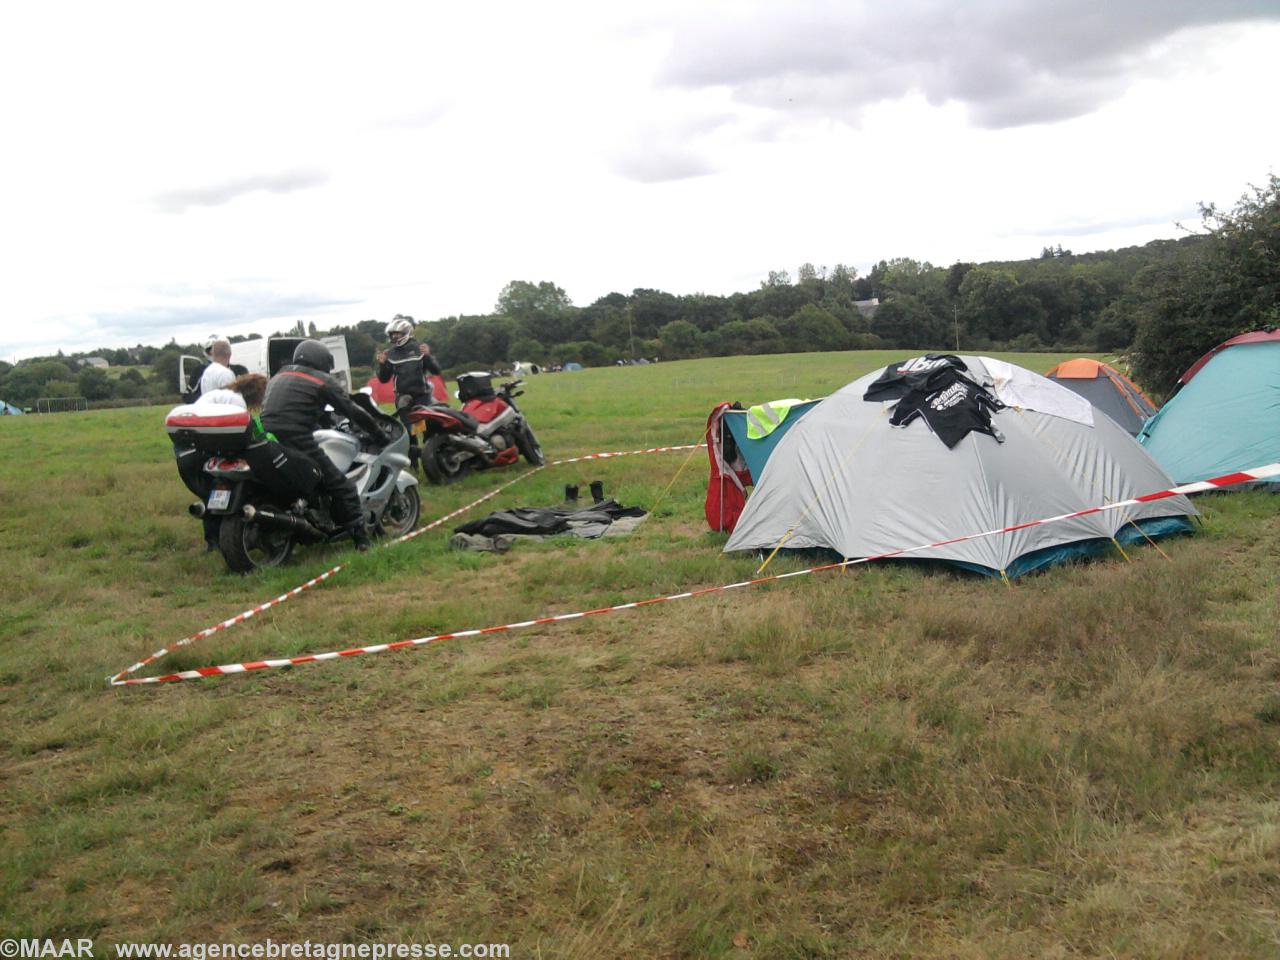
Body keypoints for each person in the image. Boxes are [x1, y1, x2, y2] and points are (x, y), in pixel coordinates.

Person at [260, 340, 382, 551]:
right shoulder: (321, 379)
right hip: (297, 438)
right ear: (321, 361)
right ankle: (362, 541)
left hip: (268, 437)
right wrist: (378, 433)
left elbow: (295, 407)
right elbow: (352, 410)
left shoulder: (279, 375)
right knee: (342, 486)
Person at [376, 317, 443, 469]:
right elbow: (384, 379)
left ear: (406, 332)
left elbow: (436, 370)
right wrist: (382, 365)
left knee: (429, 429)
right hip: (404, 398)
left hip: (423, 396)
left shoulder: (420, 348)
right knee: (410, 432)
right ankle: (414, 466)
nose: (394, 337)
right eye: (392, 334)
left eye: (397, 334)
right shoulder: (390, 353)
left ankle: (434, 461)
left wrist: (428, 356)